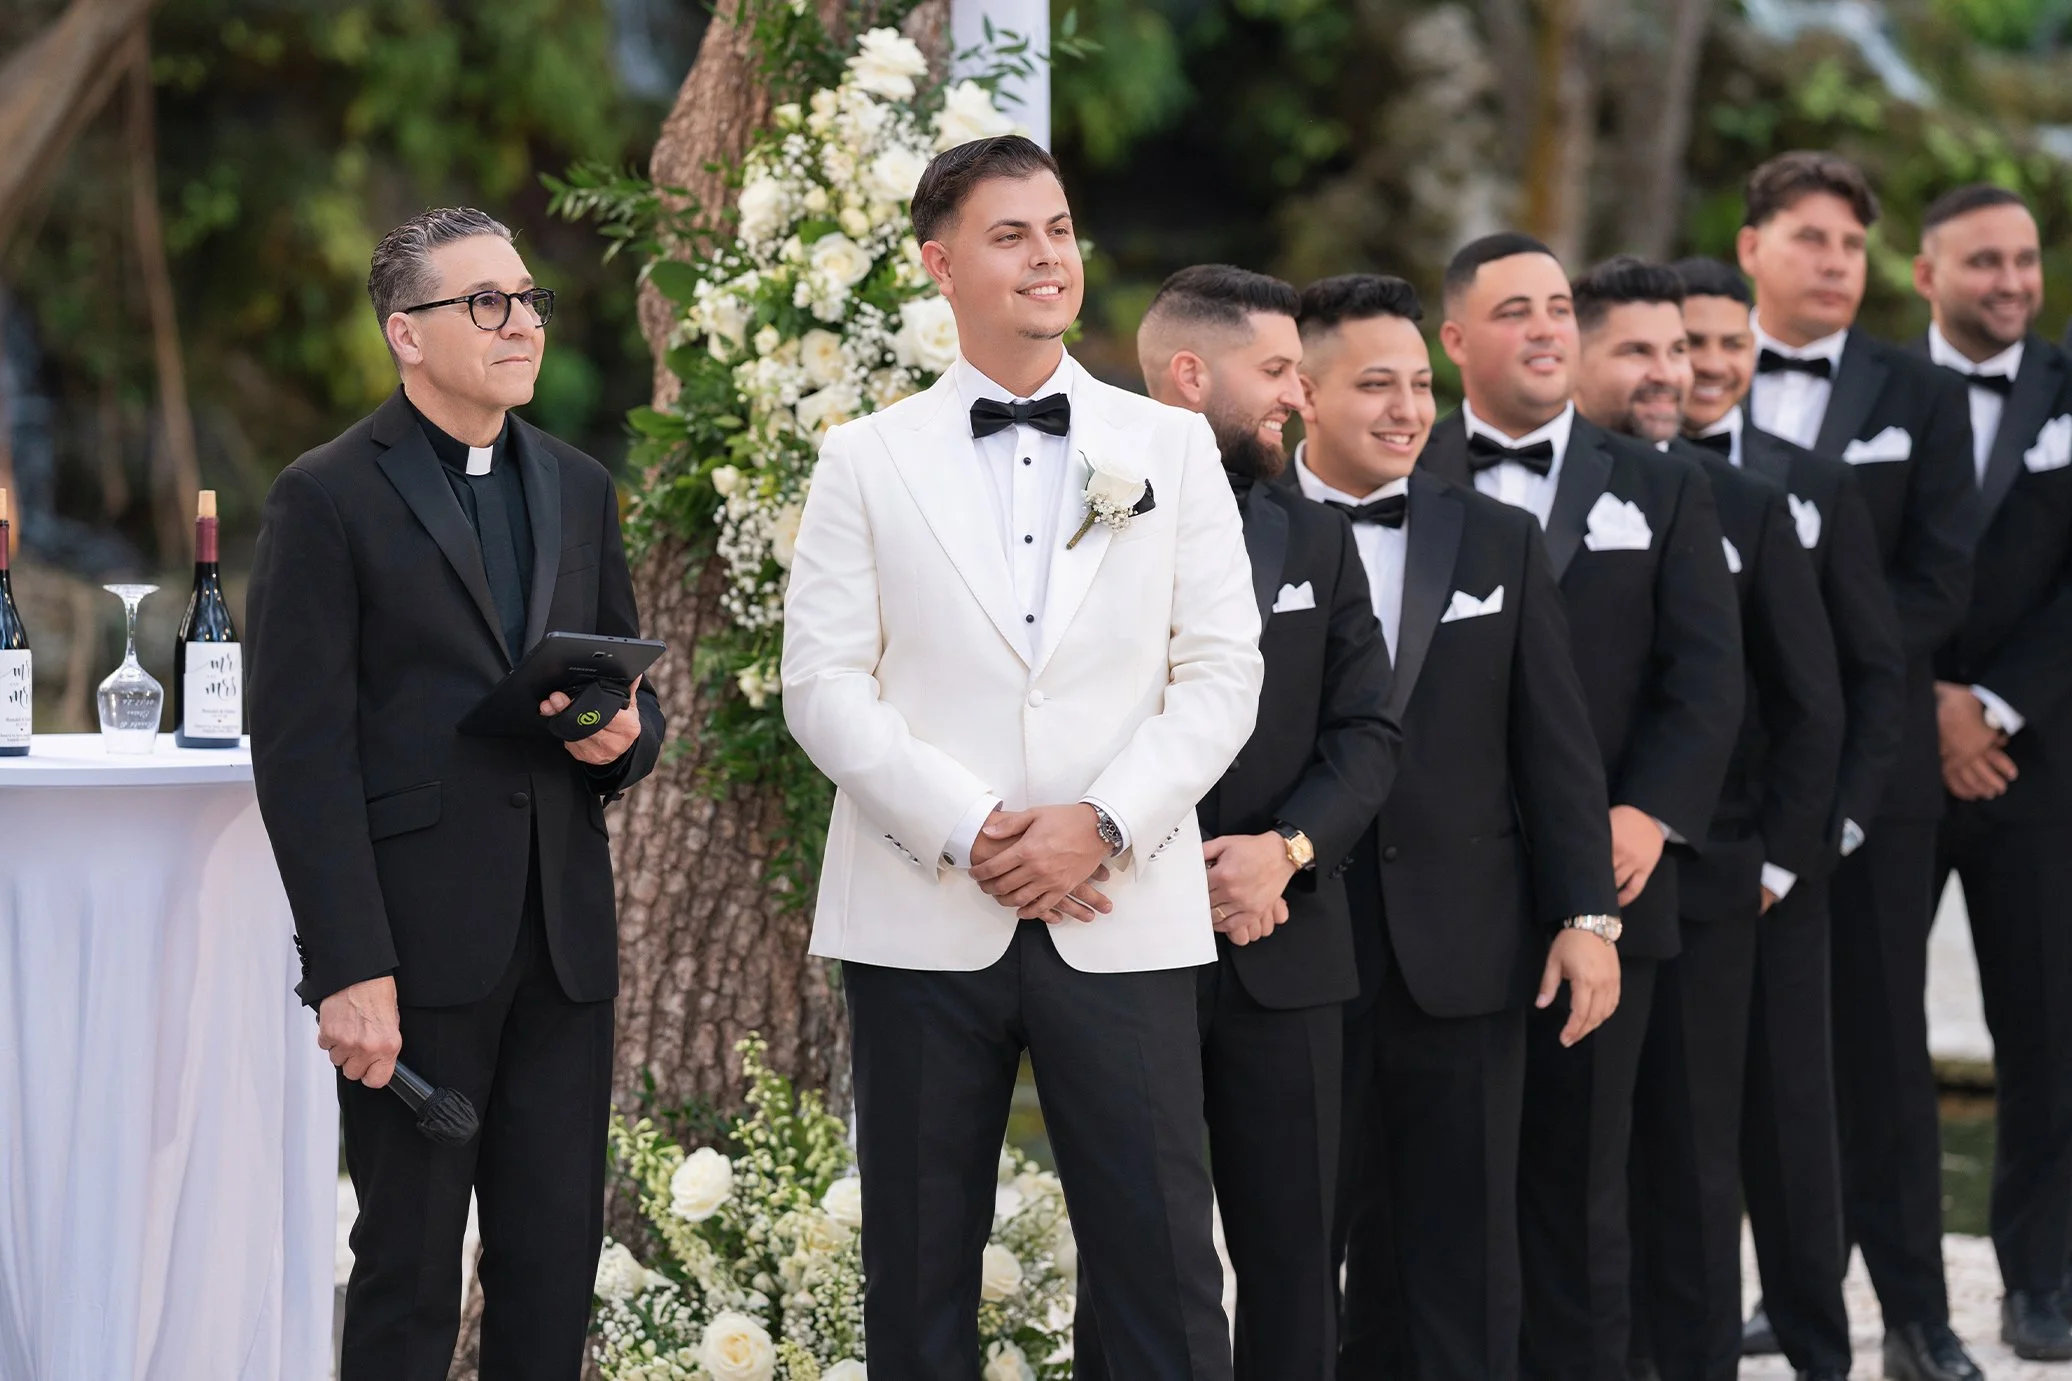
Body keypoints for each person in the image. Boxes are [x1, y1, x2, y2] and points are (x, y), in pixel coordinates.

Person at [779, 136, 1263, 1380]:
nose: (1047, 257)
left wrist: (1096, 821)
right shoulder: (863, 458)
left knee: (1161, 1267)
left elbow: (1221, 675)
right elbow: (822, 686)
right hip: (924, 910)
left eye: (1057, 229)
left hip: (1124, 905)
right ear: (940, 265)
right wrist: (974, 824)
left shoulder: (1170, 447)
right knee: (919, 1269)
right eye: (1011, 235)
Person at [247, 207, 666, 1380]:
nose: (520, 321)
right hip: (410, 955)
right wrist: (347, 965)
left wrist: (623, 740)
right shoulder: (324, 495)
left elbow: (622, 685)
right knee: (404, 1273)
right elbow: (300, 751)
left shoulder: (581, 485)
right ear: (407, 335)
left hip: (565, 942)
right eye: (486, 302)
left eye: (527, 298)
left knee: (551, 1268)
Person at [1418, 232, 1744, 1381]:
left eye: (1558, 306)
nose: (1549, 327)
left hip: (1611, 888)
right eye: (1516, 310)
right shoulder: (1408, 480)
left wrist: (1649, 813)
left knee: (1582, 1192)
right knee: (1427, 1196)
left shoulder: (1663, 484)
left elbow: (1706, 679)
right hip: (1433, 897)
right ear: (1455, 340)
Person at [1079, 263, 1400, 1381]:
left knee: (1297, 1262)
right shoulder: (1080, 516)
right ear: (1186, 374)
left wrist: (1288, 851)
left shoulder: (1313, 537)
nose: (1296, 399)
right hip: (1116, 945)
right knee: (1131, 1261)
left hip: (1286, 946)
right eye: (1274, 372)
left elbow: (1368, 732)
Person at [1297, 274, 1621, 1381]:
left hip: (1468, 944)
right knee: (1297, 1244)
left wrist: (1585, 912)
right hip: (1290, 943)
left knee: (1464, 1247)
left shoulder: (1494, 538)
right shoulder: (1238, 535)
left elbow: (1555, 743)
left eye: (1418, 385)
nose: (1404, 408)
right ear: (1301, 391)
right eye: (1373, 384)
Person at [1567, 256, 1844, 1381]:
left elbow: (1807, 701)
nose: (1674, 371)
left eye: (1682, 350)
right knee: (1572, 1165)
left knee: (1690, 1163)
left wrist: (1769, 866)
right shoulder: (1472, 494)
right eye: (1646, 347)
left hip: (1704, 881)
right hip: (1522, 884)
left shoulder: (1745, 502)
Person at [1737, 150, 1983, 1381]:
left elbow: (1940, 576)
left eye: (1849, 243)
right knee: (1751, 1055)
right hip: (1723, 785)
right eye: (1809, 238)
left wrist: (1825, 668)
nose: (1835, 261)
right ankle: (1788, 1293)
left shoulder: (1914, 394)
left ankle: (1918, 1320)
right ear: (1751, 251)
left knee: (1883, 1055)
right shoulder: (1689, 373)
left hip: (1874, 779)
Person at [1673, 255, 1906, 1381]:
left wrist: (1804, 847)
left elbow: (1858, 680)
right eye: (1690, 343)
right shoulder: (1602, 478)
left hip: (1773, 857)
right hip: (1647, 859)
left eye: (1727, 344)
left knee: (1789, 1121)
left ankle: (1819, 1347)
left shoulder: (1803, 488)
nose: (1711, 364)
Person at [1915, 183, 2072, 1362]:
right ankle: (1830, 1271)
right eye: (1984, 263)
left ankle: (2038, 1283)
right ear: (1925, 273)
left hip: (2040, 767)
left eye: (2023, 261)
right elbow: (1829, 561)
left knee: (2048, 1034)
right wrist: (1924, 706)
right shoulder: (1868, 394)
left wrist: (1990, 707)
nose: (2011, 283)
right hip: (1884, 761)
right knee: (1842, 1034)